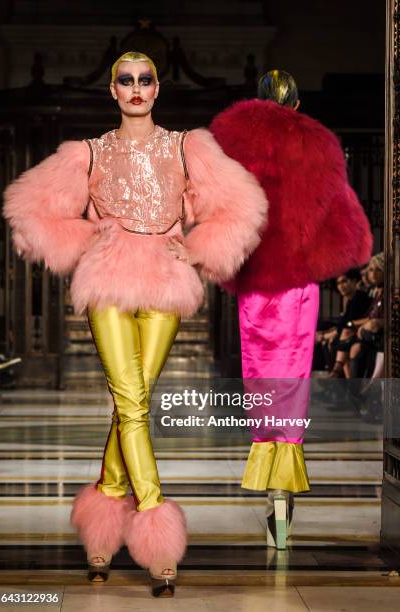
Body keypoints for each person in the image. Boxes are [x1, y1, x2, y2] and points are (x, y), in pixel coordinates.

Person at [2, 51, 267, 596]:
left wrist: (197, 252)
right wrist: (83, 239)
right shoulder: (89, 154)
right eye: (126, 80)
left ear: (158, 89)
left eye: (146, 80)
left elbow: (243, 209)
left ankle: (102, 522)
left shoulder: (187, 147)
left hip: (167, 282)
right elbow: (27, 212)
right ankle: (154, 525)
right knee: (132, 401)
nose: (137, 88)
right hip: (108, 283)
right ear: (113, 92)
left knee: (134, 400)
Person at [210, 69, 372, 549]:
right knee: (291, 391)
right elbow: (351, 235)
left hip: (258, 287)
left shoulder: (232, 149)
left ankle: (272, 492)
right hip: (298, 289)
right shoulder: (318, 149)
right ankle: (283, 502)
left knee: (263, 388)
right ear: (298, 105)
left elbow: (219, 222)